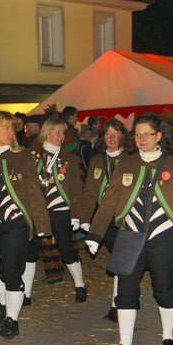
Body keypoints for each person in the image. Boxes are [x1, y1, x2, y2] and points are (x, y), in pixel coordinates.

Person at [86, 112, 173, 345]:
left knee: (164, 288)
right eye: (137, 134)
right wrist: (95, 233)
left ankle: (168, 337)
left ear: (158, 136)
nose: (141, 139)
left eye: (147, 134)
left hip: (164, 235)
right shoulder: (126, 163)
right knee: (124, 291)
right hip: (129, 234)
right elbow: (109, 199)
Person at [0, 112, 51, 339]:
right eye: (6, 128)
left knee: (12, 272)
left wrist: (42, 225)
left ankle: (12, 319)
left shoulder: (23, 156)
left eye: (12, 128)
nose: (12, 133)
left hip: (16, 223)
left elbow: (33, 191)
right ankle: (4, 300)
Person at [25, 118, 86, 304]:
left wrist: (76, 214)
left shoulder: (68, 156)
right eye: (58, 132)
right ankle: (26, 294)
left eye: (63, 132)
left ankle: (80, 285)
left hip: (60, 209)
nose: (62, 136)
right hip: (37, 211)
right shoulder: (31, 154)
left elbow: (76, 188)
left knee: (67, 249)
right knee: (30, 252)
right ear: (47, 132)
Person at [77, 118, 129, 321]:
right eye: (108, 133)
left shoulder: (131, 159)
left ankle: (118, 303)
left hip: (127, 219)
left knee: (119, 259)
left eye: (116, 133)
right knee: (119, 259)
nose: (112, 138)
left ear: (123, 136)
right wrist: (84, 218)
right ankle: (124, 297)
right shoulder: (97, 161)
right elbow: (90, 192)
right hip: (106, 220)